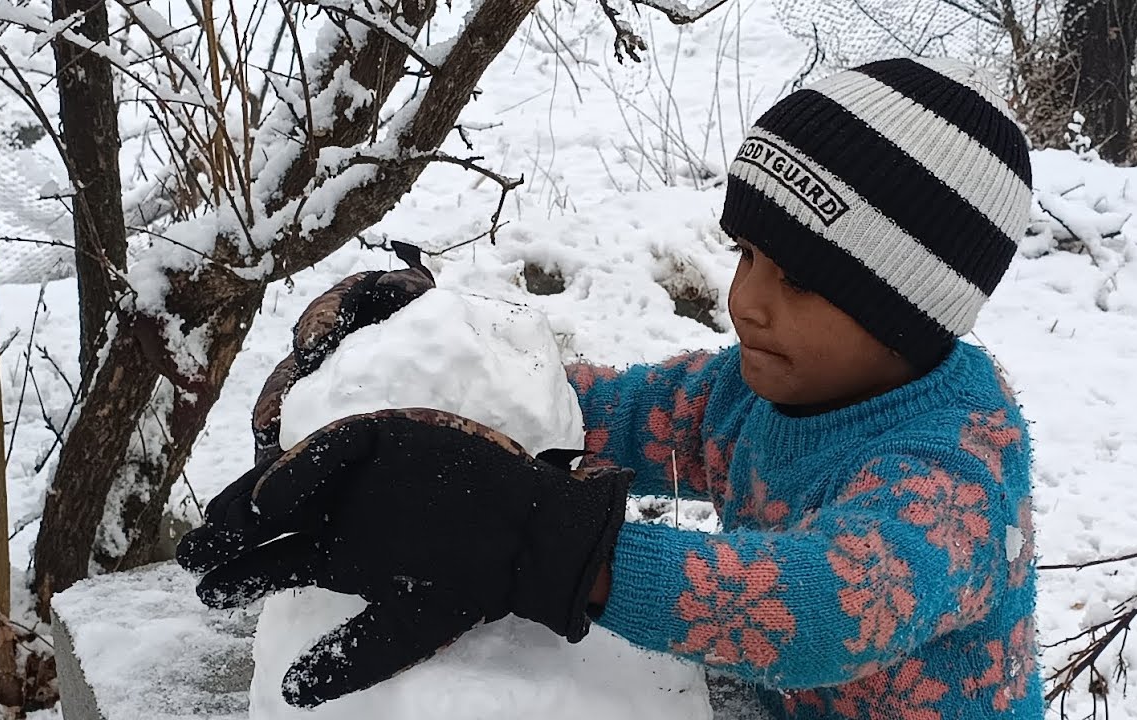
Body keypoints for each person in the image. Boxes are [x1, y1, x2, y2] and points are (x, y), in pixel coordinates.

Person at [177, 56, 1041, 719]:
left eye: (802, 281)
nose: (747, 301)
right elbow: (613, 413)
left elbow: (815, 612)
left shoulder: (958, 469)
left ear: (909, 313)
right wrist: (445, 356)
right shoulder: (754, 392)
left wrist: (540, 541)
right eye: (746, 254)